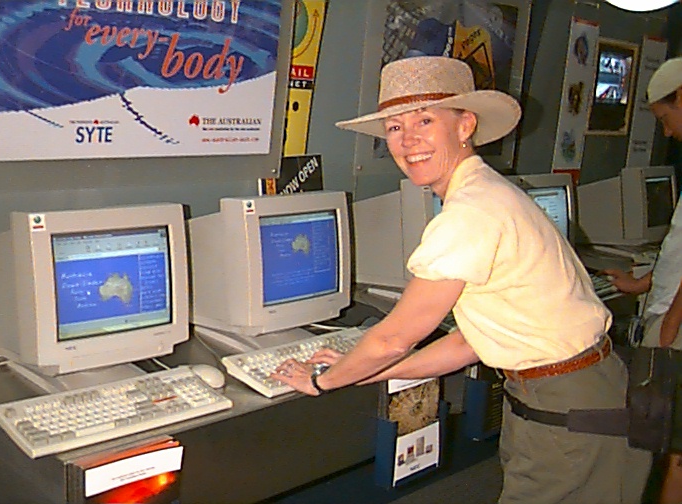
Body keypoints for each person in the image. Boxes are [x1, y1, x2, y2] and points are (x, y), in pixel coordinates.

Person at [270, 56, 651, 504]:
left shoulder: (470, 213)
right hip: (571, 392)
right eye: (394, 127)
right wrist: (363, 370)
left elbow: (393, 339)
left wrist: (322, 381)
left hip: (565, 402)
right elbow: (471, 342)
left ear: (465, 124)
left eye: (425, 120)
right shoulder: (490, 191)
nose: (408, 140)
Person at [605, 55, 682, 504]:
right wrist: (642, 284)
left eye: (665, 119)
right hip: (670, 314)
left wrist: (670, 326)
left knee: (673, 447)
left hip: (677, 327)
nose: (667, 133)